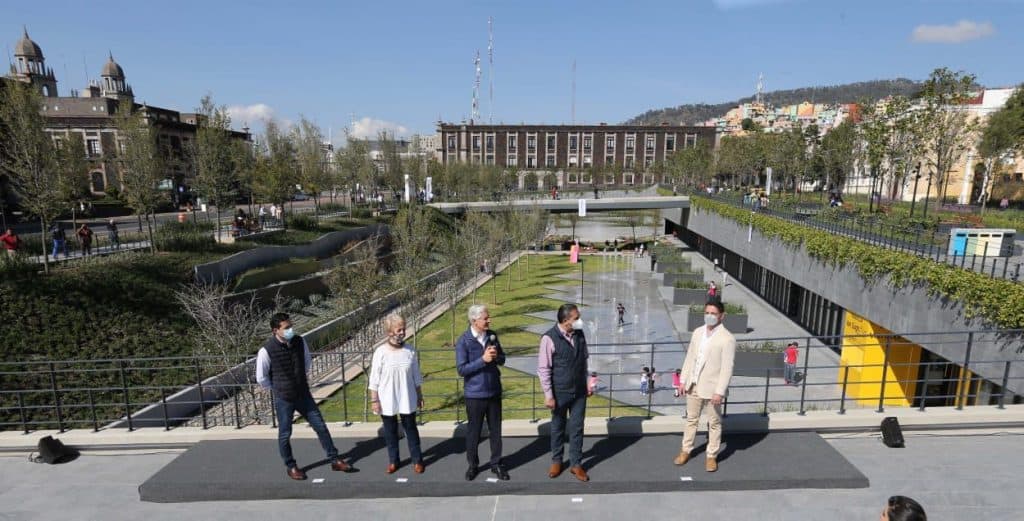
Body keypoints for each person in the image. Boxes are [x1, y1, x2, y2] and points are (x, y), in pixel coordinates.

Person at [256, 312, 352, 480]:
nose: (290, 330)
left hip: (303, 394)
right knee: (285, 434)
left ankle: (334, 459)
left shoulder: (300, 341)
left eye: (291, 326)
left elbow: (307, 362)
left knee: (320, 427)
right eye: (286, 328)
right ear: (275, 330)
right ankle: (291, 466)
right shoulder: (266, 351)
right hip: (284, 398)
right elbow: (261, 377)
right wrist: (277, 388)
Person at [674, 300, 736, 472]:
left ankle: (711, 456)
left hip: (712, 389)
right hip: (693, 385)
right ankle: (686, 450)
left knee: (714, 423)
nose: (709, 316)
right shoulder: (698, 332)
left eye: (713, 313)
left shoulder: (727, 339)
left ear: (721, 316)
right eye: (707, 312)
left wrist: (719, 391)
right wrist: (683, 380)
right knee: (691, 419)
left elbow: (727, 368)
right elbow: (690, 357)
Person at [537, 303, 593, 482]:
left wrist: (588, 383)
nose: (580, 321)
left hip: (579, 391)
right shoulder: (549, 338)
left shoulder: (579, 334)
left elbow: (584, 360)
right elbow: (543, 369)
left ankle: (576, 464)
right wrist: (548, 395)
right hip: (559, 392)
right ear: (566, 320)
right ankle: (557, 461)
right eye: (576, 318)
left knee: (577, 428)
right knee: (558, 427)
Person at [455, 305, 509, 481]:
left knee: (496, 431)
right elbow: (462, 369)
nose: (489, 320)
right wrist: (483, 360)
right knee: (474, 432)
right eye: (485, 318)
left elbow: (502, 359)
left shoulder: (492, 336)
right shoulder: (463, 341)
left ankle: (496, 464)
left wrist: (496, 356)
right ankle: (473, 465)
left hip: (493, 391)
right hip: (475, 395)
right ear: (474, 320)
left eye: (488, 317)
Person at [368, 313, 425, 474]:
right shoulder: (380, 352)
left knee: (411, 429)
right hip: (387, 400)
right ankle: (394, 461)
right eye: (399, 330)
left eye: (403, 329)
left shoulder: (410, 351)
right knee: (390, 432)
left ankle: (417, 460)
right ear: (389, 332)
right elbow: (374, 379)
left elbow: (416, 376)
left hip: (408, 398)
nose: (402, 332)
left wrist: (419, 395)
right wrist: (374, 400)